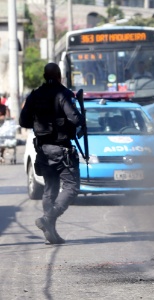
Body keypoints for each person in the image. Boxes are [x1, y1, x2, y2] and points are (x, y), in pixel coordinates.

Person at [19, 63, 84, 244]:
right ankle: (48, 219)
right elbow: (75, 118)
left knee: (50, 189)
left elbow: (23, 120)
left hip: (43, 150)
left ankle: (51, 233)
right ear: (59, 76)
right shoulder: (62, 94)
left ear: (43, 75)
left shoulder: (34, 95)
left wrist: (41, 122)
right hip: (61, 149)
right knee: (71, 187)